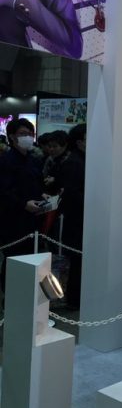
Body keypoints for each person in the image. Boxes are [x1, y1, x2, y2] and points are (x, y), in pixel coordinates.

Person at [0, 117, 44, 292]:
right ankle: (10, 296)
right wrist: (23, 204)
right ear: (12, 136)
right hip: (13, 220)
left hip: (32, 219)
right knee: (14, 259)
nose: (28, 137)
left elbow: (35, 183)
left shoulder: (32, 159)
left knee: (30, 258)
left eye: (31, 134)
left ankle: (26, 294)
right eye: (23, 134)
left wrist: (42, 195)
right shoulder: (6, 161)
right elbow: (4, 191)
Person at [55, 123, 85, 308]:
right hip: (77, 220)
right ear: (79, 141)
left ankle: (77, 298)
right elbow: (72, 193)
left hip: (79, 219)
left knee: (79, 262)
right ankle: (75, 300)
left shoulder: (80, 159)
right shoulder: (75, 162)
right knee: (77, 262)